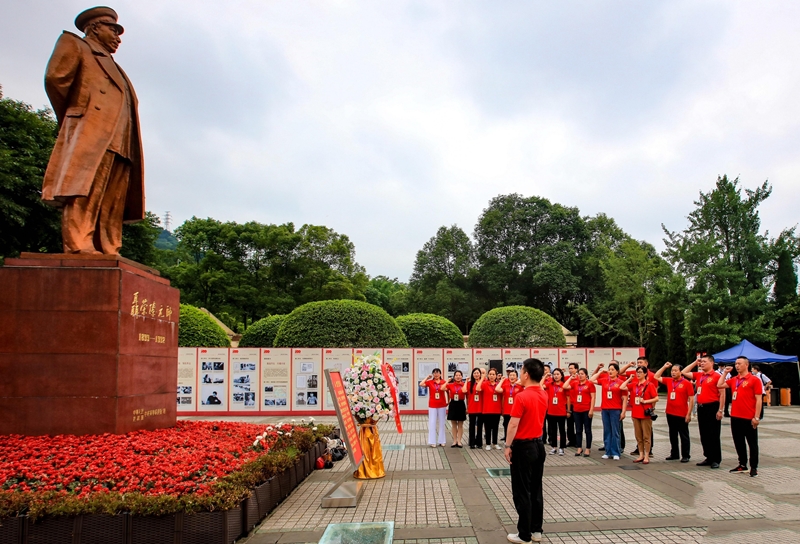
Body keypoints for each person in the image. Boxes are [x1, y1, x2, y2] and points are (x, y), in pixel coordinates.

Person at [43, 7, 145, 254]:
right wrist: (76, 117)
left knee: (113, 197)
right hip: (92, 131)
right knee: (84, 188)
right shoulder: (77, 46)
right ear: (95, 27)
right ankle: (79, 243)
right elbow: (55, 80)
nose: (118, 38)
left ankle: (107, 244)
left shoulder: (116, 68)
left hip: (120, 137)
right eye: (113, 30)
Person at [504, 358, 548, 544]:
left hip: (524, 447)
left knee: (522, 491)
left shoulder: (522, 396)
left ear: (527, 374)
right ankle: (536, 530)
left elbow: (513, 423)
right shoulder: (543, 393)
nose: (519, 375)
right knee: (536, 489)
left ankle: (524, 535)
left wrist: (507, 446)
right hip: (538, 445)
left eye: (521, 371)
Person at [718, 356, 762, 477]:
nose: (737, 366)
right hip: (735, 416)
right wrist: (725, 372)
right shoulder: (734, 379)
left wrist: (756, 417)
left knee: (752, 443)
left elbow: (759, 399)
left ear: (746, 365)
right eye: (736, 363)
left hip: (749, 417)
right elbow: (719, 385)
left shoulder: (754, 380)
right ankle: (742, 464)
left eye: (739, 363)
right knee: (738, 442)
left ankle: (754, 467)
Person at [682, 354, 725, 468]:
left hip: (712, 407)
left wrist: (721, 410)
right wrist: (695, 362)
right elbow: (685, 372)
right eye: (701, 362)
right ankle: (708, 456)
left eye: (704, 361)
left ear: (712, 363)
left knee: (713, 434)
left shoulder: (716, 376)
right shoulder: (699, 375)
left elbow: (722, 395)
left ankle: (716, 459)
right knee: (704, 434)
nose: (702, 363)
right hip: (701, 407)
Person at [655, 362, 694, 462]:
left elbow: (691, 399)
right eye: (672, 370)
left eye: (676, 370)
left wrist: (689, 413)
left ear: (681, 372)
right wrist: (664, 366)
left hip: (682, 413)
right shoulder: (669, 381)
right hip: (670, 412)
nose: (673, 372)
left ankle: (686, 455)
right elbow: (656, 376)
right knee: (673, 434)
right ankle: (674, 453)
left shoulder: (687, 383)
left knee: (683, 435)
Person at [621, 367, 658, 464]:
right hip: (636, 413)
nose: (638, 374)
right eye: (637, 372)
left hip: (645, 414)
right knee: (638, 436)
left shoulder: (649, 385)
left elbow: (656, 398)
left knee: (646, 436)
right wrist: (629, 379)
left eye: (640, 372)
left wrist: (645, 401)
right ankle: (641, 454)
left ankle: (646, 455)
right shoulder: (634, 385)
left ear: (645, 374)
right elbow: (622, 387)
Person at [590, 362, 627, 460]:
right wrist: (601, 371)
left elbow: (624, 398)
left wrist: (623, 411)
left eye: (612, 370)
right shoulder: (605, 380)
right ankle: (608, 451)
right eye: (609, 369)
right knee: (607, 431)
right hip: (605, 409)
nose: (610, 371)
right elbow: (591, 380)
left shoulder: (620, 382)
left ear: (617, 371)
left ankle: (616, 452)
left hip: (616, 410)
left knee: (615, 431)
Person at [563, 368, 594, 456]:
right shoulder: (575, 383)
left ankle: (588, 448)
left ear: (586, 375)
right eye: (579, 374)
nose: (580, 375)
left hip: (586, 410)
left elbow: (593, 397)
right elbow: (565, 386)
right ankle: (579, 448)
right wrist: (571, 378)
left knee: (587, 430)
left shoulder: (590, 384)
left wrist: (591, 410)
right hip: (576, 410)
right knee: (578, 430)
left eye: (582, 374)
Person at [420, 368, 448, 447]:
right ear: (433, 374)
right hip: (432, 405)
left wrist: (448, 400)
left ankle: (442, 440)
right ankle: (432, 441)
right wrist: (427, 378)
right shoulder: (430, 382)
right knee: (432, 422)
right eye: (434, 373)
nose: (436, 374)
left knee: (442, 423)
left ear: (440, 374)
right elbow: (421, 384)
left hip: (442, 404)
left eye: (437, 373)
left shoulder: (444, 382)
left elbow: (448, 391)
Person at [544, 368, 568, 455]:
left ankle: (562, 448)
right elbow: (540, 385)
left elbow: (568, 398)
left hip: (561, 412)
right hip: (551, 412)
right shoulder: (550, 384)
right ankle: (554, 447)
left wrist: (568, 410)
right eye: (554, 374)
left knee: (562, 430)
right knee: (552, 431)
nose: (556, 376)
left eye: (558, 374)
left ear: (561, 375)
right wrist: (545, 376)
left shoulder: (564, 385)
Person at [480, 368, 503, 450]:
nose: (492, 376)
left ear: (496, 375)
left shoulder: (498, 384)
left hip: (497, 410)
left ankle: (495, 443)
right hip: (487, 409)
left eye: (493, 374)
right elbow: (478, 388)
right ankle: (488, 443)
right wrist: (482, 378)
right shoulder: (485, 384)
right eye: (490, 374)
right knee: (488, 427)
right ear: (488, 375)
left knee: (496, 427)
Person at [497, 369, 522, 442]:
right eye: (510, 375)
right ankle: (507, 440)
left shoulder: (520, 386)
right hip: (507, 410)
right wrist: (501, 380)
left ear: (517, 377)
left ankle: (516, 440)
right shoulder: (506, 385)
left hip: (516, 410)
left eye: (514, 375)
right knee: (506, 425)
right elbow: (497, 389)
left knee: (516, 426)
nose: (512, 377)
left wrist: (519, 382)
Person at [446, 370, 468, 448]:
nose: (458, 377)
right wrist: (447, 381)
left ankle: (459, 441)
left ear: (462, 376)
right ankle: (454, 440)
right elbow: (442, 388)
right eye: (456, 375)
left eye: (459, 375)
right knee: (454, 424)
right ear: (454, 377)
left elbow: (466, 393)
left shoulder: (464, 384)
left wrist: (466, 382)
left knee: (461, 424)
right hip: (453, 404)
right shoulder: (451, 385)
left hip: (461, 404)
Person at [467, 368, 484, 449]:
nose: (476, 374)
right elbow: (464, 391)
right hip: (472, 407)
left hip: (481, 407)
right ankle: (472, 442)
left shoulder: (483, 383)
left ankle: (479, 443)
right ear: (472, 374)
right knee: (472, 426)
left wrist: (482, 379)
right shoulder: (469, 383)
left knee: (480, 426)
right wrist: (466, 381)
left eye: (478, 373)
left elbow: (479, 388)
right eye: (475, 373)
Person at [565, 363, 580, 447]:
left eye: (572, 368)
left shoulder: (580, 378)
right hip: (569, 403)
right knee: (569, 425)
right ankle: (571, 440)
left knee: (578, 424)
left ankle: (578, 442)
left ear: (576, 369)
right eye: (569, 368)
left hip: (577, 404)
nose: (570, 370)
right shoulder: (567, 378)